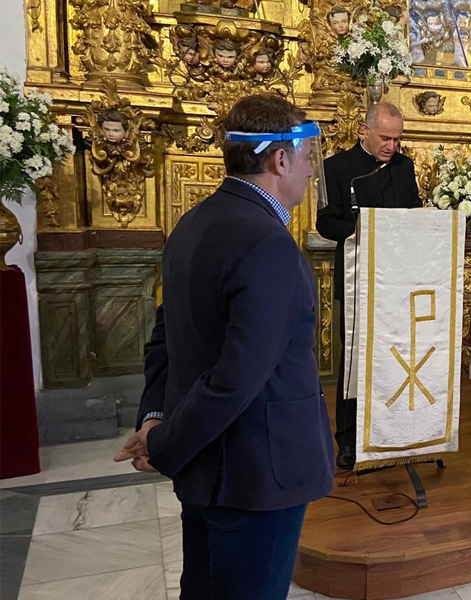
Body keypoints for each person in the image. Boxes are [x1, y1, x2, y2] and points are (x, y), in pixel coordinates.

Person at [114, 95, 334, 598]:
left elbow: (165, 335)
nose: (311, 175)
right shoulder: (268, 243)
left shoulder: (193, 223)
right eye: (308, 161)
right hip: (257, 474)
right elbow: (237, 378)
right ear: (280, 159)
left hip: (207, 463)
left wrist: (154, 418)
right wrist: (163, 443)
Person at [316, 102, 422, 470]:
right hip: (358, 279)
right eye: (385, 138)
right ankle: (347, 439)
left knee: (397, 356)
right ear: (364, 130)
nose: (392, 147)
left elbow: (414, 211)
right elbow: (326, 224)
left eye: (397, 139)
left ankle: (392, 431)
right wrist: (364, 230)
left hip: (398, 278)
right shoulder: (336, 168)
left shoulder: (403, 167)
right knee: (355, 359)